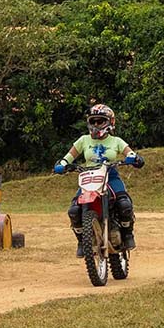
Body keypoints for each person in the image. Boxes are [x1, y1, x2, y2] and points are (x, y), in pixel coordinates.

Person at [53, 104, 145, 256]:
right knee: (74, 210)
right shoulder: (83, 140)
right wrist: (62, 165)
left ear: (110, 122)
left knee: (125, 204)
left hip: (110, 175)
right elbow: (68, 157)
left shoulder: (116, 141)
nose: (96, 125)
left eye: (100, 121)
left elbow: (130, 153)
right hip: (89, 176)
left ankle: (128, 234)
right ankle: (82, 241)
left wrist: (134, 158)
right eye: (93, 121)